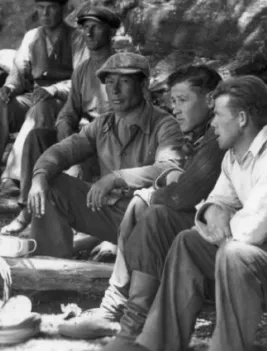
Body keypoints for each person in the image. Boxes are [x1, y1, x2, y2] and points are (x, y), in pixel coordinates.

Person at [104, 76, 267, 351]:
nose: (212, 124)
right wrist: (213, 210)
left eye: (219, 115)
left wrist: (221, 217)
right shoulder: (235, 156)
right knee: (188, 242)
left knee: (234, 253)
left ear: (242, 119)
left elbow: (249, 232)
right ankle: (155, 346)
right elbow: (217, 201)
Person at [61, 65, 225, 340]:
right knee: (142, 205)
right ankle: (115, 309)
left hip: (226, 242)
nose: (175, 109)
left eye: (182, 100)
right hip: (209, 229)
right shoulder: (203, 134)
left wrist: (154, 192)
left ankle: (129, 322)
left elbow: (182, 196)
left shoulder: (219, 136)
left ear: (210, 100)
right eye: (173, 101)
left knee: (154, 213)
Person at [25, 52, 184, 258]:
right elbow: (62, 151)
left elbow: (169, 168)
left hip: (146, 216)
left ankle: (120, 250)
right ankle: (50, 268)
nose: (115, 90)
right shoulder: (102, 124)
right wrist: (39, 176)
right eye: (109, 82)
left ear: (144, 85)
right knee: (52, 185)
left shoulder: (165, 124)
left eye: (124, 81)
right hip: (108, 212)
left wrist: (117, 178)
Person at [0, 5, 121, 235]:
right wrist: (64, 126)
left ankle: (77, 221)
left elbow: (129, 116)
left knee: (78, 157)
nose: (89, 33)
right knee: (36, 138)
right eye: (85, 28)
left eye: (96, 28)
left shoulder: (122, 67)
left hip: (110, 141)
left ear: (111, 32)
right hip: (83, 137)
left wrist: (82, 136)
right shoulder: (83, 70)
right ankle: (28, 208)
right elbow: (69, 110)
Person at [0, 0, 84, 196]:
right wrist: (9, 88)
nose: (45, 13)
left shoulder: (77, 38)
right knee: (0, 107)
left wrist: (54, 89)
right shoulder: (32, 37)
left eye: (51, 8)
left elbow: (81, 81)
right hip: (35, 95)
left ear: (64, 9)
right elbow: (19, 73)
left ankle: (13, 177)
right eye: (40, 7)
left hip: (64, 100)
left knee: (39, 109)